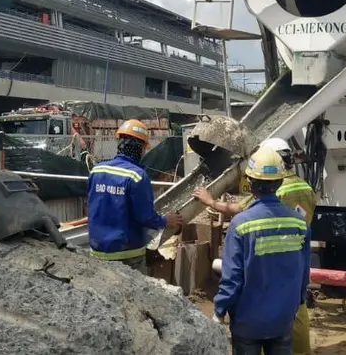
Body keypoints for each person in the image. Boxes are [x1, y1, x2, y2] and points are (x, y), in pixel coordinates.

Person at [195, 138, 317, 355]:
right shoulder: (300, 222)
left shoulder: (242, 224)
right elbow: (303, 271)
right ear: (279, 181)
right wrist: (296, 301)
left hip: (248, 321)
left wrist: (220, 309)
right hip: (284, 317)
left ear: (250, 183)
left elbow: (232, 278)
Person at [88, 119, 183, 274]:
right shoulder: (137, 176)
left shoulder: (97, 170)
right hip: (127, 255)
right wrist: (166, 221)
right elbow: (145, 217)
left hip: (97, 251)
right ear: (140, 148)